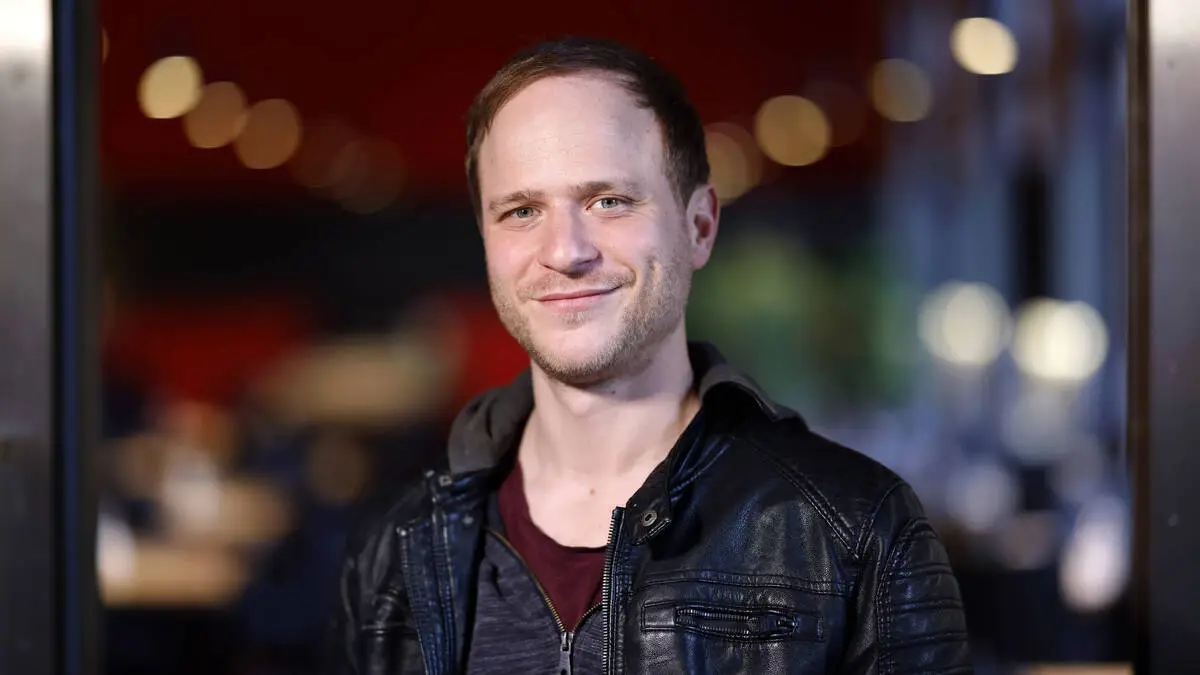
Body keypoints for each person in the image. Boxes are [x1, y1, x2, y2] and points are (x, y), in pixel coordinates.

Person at [327, 37, 971, 675]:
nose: (565, 251)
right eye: (522, 211)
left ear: (699, 227)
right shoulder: (395, 555)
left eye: (608, 201)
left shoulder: (856, 532)